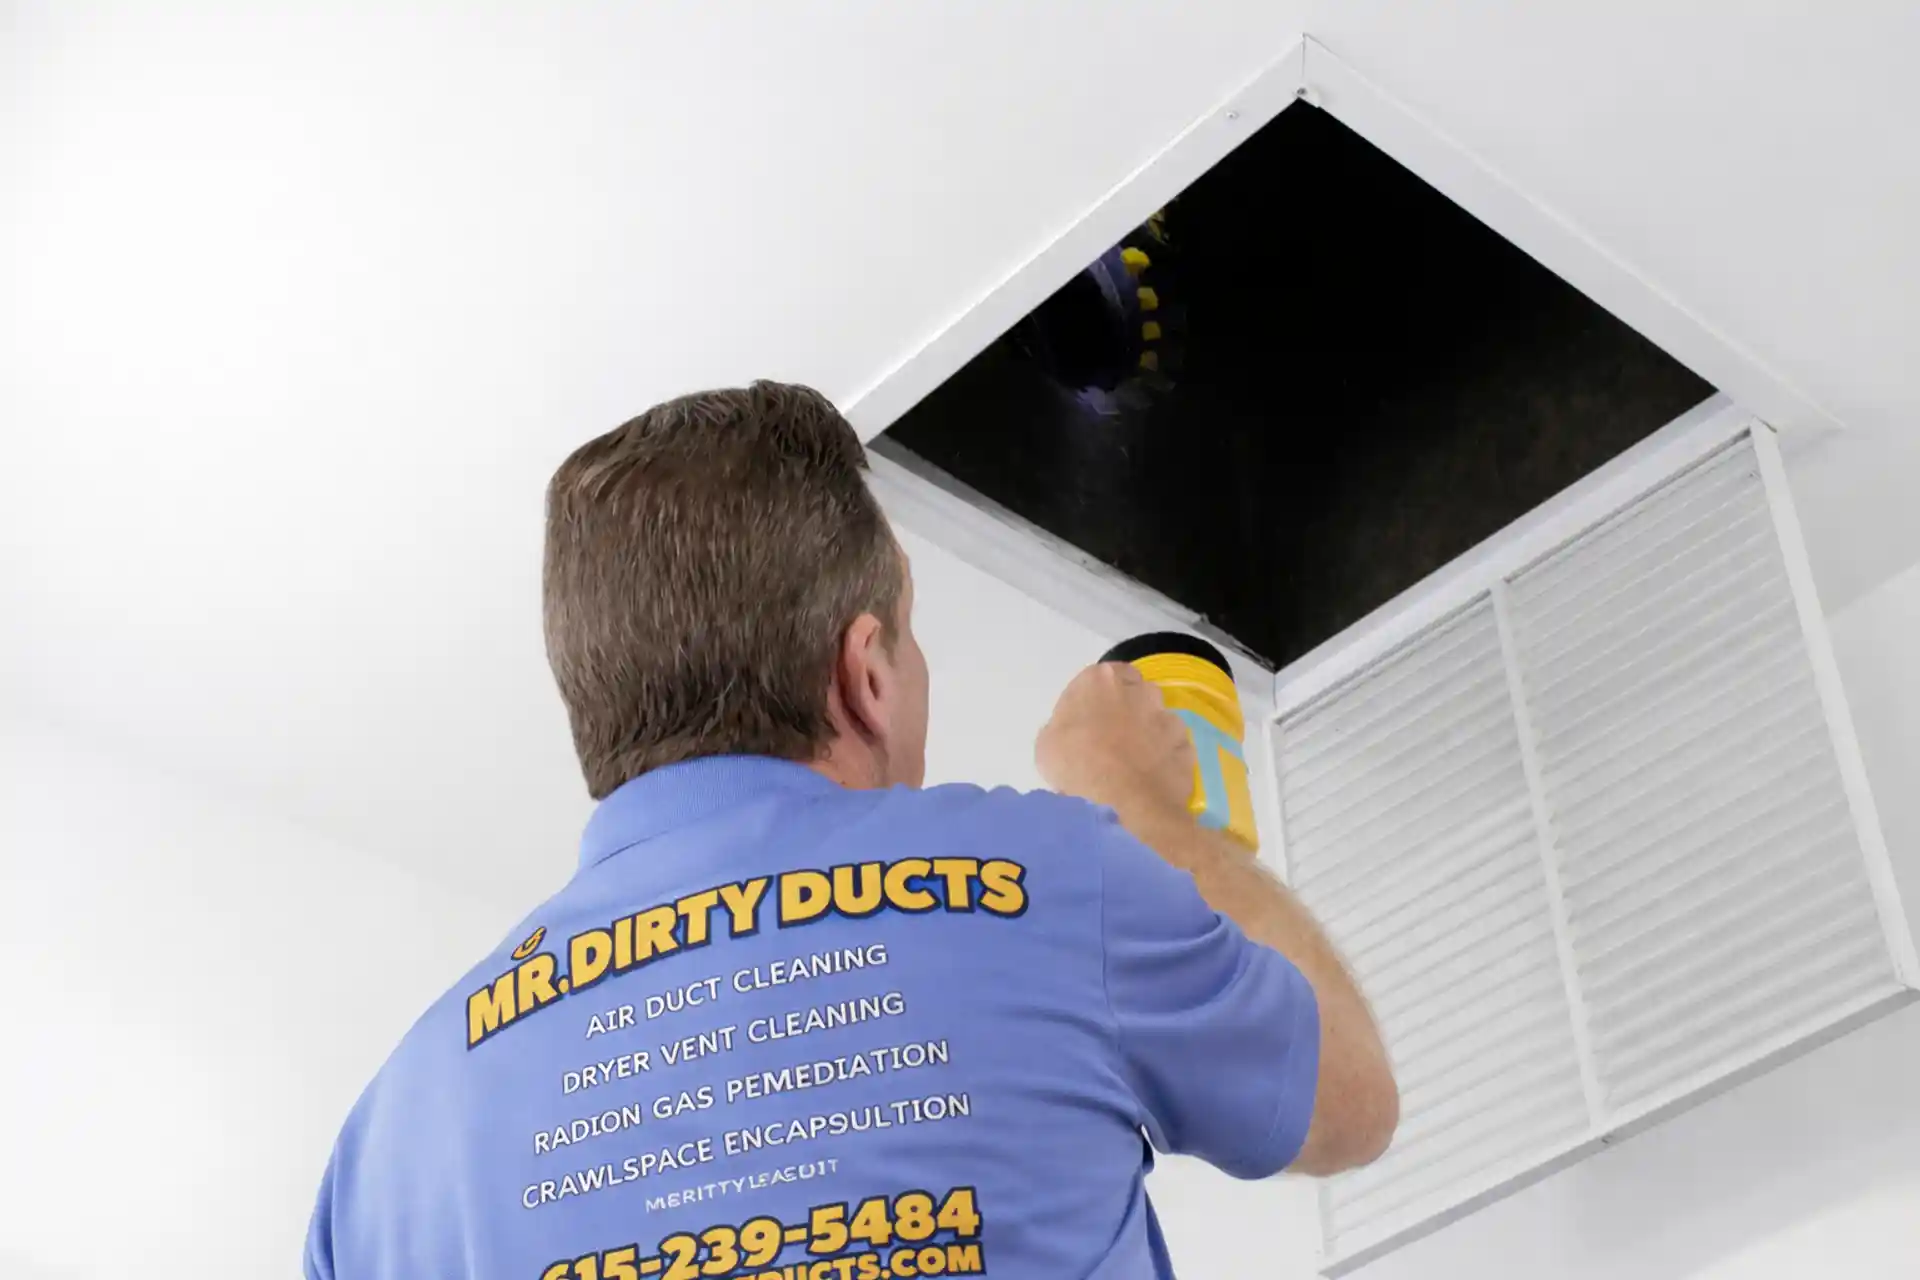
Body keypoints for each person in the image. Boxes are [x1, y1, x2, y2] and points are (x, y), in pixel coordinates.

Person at [304, 381, 1397, 1280]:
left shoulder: (384, 1148)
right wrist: (1138, 798)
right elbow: (1349, 1099)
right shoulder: (1048, 883)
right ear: (865, 672)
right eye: (908, 643)